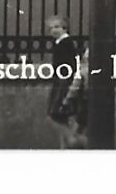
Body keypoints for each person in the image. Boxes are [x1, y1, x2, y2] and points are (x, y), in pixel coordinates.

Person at [44, 16, 81, 148]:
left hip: (63, 82)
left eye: (56, 27)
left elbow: (71, 64)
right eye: (51, 28)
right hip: (60, 81)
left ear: (64, 28)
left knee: (53, 115)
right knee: (62, 117)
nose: (53, 30)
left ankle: (71, 139)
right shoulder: (59, 42)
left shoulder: (66, 42)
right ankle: (64, 146)